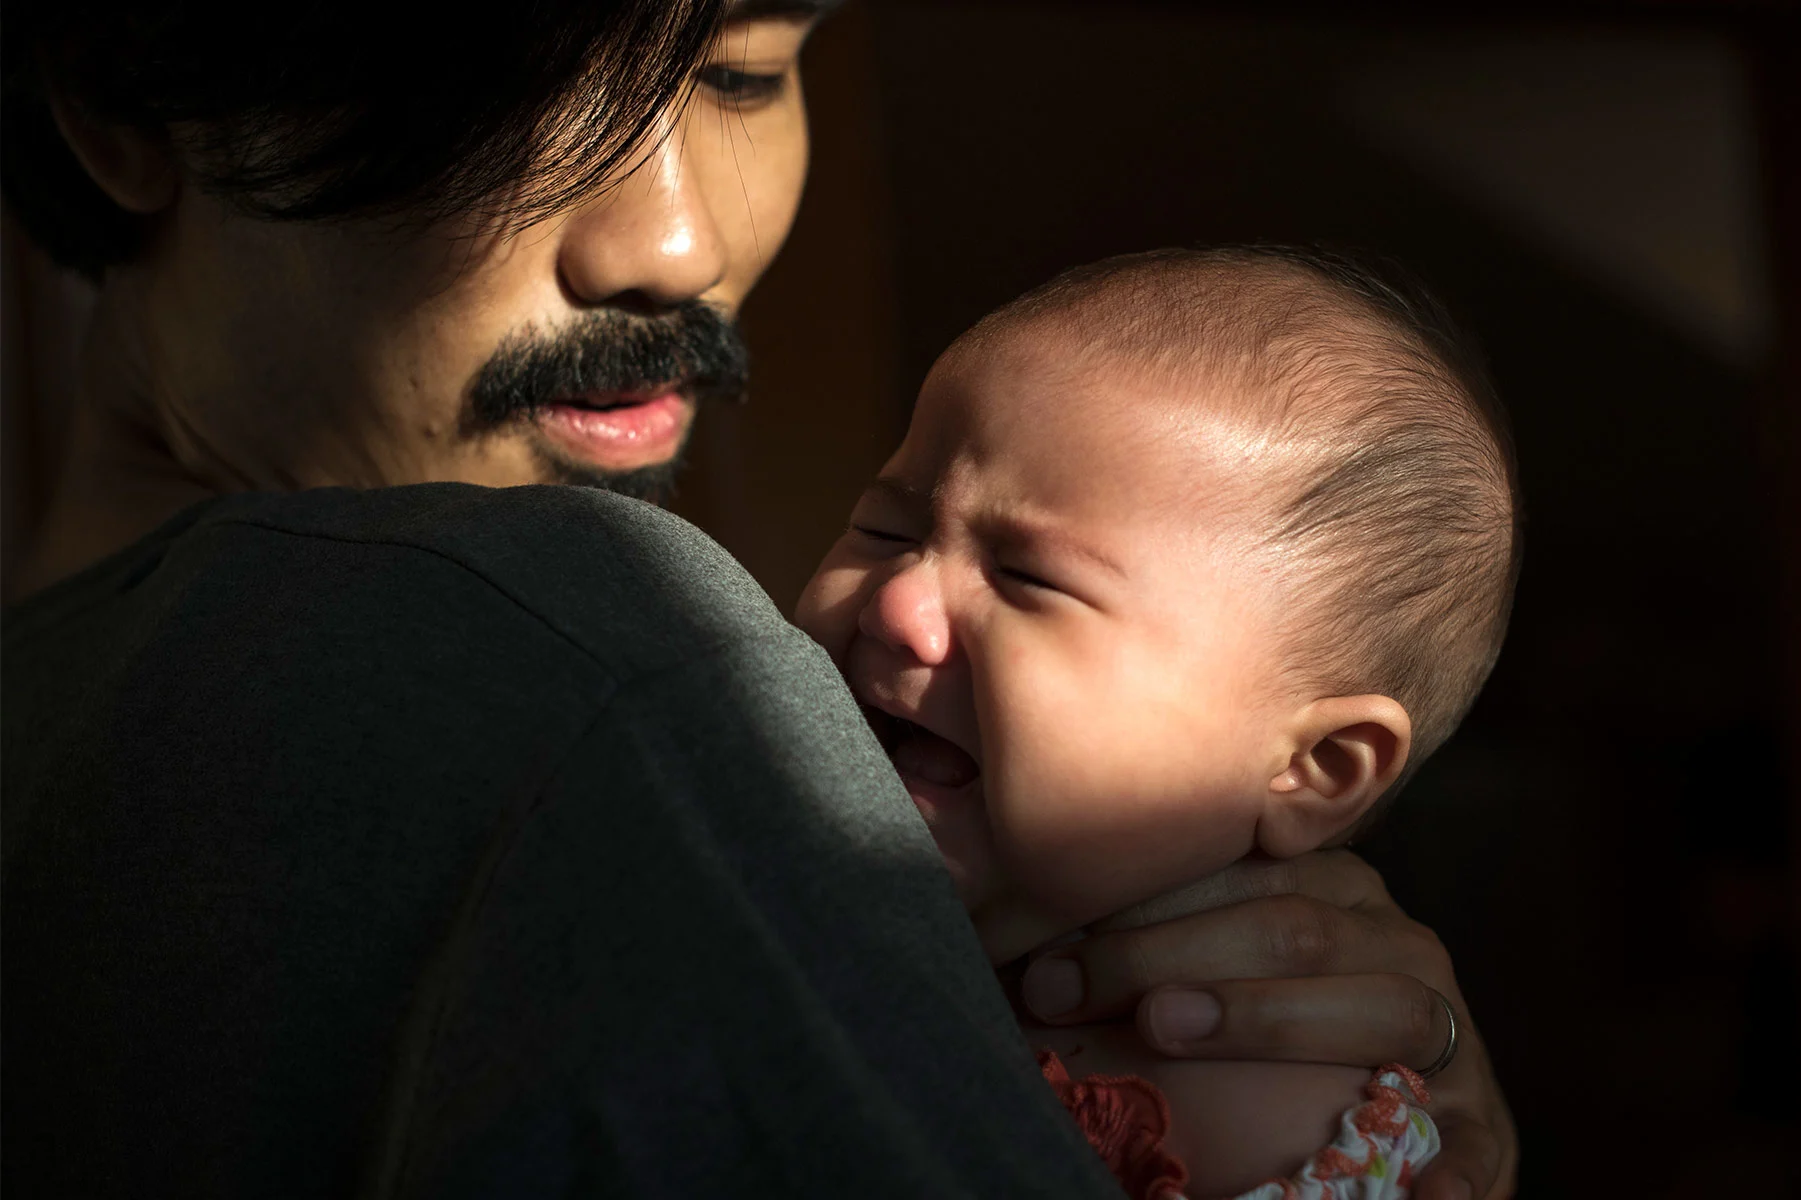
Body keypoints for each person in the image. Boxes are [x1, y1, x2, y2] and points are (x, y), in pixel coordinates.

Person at [0, 3, 1516, 1197]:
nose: (678, 244)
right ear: (129, 109)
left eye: (741, 73)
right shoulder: (593, 654)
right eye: (517, 92)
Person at [797, 246, 1519, 1199]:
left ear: (1315, 766)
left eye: (1029, 577)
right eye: (886, 528)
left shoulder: (1263, 1123)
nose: (897, 603)